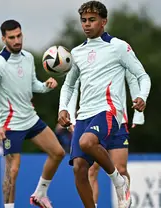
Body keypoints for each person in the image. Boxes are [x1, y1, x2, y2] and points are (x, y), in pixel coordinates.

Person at [58, 1, 151, 208]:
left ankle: (119, 182)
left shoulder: (118, 46)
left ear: (104, 21)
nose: (87, 24)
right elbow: (69, 86)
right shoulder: (77, 53)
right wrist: (63, 109)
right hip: (84, 115)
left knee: (87, 143)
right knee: (79, 168)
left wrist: (142, 96)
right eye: (84, 20)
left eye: (92, 20)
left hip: (109, 110)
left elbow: (142, 76)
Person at [0, 19, 65, 208]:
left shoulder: (27, 57)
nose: (17, 40)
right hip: (10, 125)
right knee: (13, 170)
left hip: (31, 119)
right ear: (3, 39)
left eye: (19, 36)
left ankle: (40, 194)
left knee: (58, 153)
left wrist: (45, 86)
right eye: (12, 37)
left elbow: (32, 84)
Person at [68, 73, 145, 207]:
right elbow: (72, 86)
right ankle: (94, 204)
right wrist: (70, 115)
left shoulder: (117, 55)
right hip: (94, 119)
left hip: (118, 120)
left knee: (120, 168)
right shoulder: (86, 59)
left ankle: (123, 197)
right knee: (91, 170)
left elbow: (133, 79)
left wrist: (139, 115)